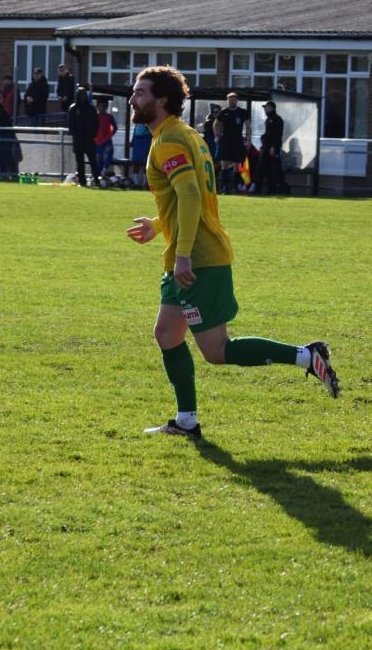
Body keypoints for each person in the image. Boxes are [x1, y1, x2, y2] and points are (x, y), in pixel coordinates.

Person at [124, 65, 338, 440]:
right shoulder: (183, 134)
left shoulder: (170, 140)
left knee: (217, 350)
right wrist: (159, 225)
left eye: (140, 93)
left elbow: (191, 195)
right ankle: (186, 420)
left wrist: (185, 254)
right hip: (186, 253)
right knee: (166, 334)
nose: (132, 99)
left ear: (161, 100)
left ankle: (308, 356)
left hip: (198, 258)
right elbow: (189, 196)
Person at [215, 92, 250, 195]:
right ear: (227, 101)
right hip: (225, 140)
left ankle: (236, 188)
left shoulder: (242, 112)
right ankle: (225, 189)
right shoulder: (224, 112)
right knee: (224, 165)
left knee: (237, 165)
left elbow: (248, 126)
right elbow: (216, 124)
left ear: (237, 101)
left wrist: (248, 139)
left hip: (238, 140)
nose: (232, 101)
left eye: (234, 100)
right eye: (230, 100)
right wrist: (217, 135)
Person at [67, 87, 99, 187]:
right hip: (78, 139)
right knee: (80, 162)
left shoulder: (91, 109)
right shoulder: (73, 108)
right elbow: (70, 124)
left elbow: (96, 123)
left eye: (84, 95)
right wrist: (75, 134)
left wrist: (93, 135)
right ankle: (82, 181)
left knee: (93, 161)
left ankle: (96, 180)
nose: (82, 97)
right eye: (80, 95)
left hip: (89, 139)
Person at [258, 100, 286, 195]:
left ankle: (280, 188)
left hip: (273, 148)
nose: (265, 109)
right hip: (266, 147)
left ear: (272, 107)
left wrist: (274, 146)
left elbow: (278, 135)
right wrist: (263, 138)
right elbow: (268, 133)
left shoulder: (277, 119)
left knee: (275, 169)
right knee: (265, 168)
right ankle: (269, 188)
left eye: (266, 107)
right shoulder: (267, 119)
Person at [94, 97, 117, 184]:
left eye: (103, 106)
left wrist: (109, 135)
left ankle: (104, 171)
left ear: (106, 107)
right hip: (97, 141)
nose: (102, 108)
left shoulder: (109, 117)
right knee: (97, 159)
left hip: (106, 141)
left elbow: (115, 128)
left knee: (107, 156)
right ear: (97, 107)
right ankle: (98, 176)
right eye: (100, 106)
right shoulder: (95, 116)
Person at [129, 121, 151, 189]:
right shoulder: (137, 124)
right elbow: (135, 132)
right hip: (137, 142)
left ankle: (144, 184)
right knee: (135, 163)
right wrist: (132, 142)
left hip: (145, 141)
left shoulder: (147, 121)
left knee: (144, 164)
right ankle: (136, 184)